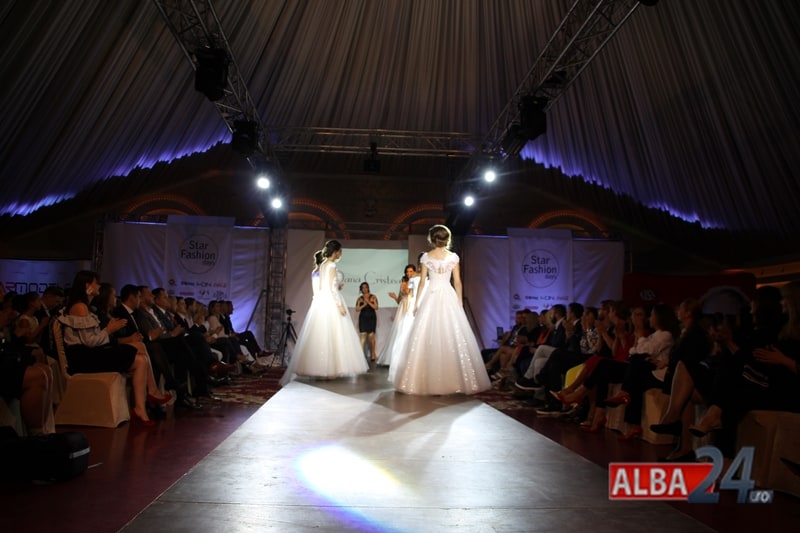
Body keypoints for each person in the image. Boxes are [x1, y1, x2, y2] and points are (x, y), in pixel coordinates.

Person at [57, 271, 170, 426]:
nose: (98, 286)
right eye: (96, 283)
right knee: (140, 359)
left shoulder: (84, 307)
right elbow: (90, 342)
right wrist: (109, 330)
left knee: (140, 350)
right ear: (87, 286)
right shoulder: (80, 307)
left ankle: (146, 399)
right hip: (83, 357)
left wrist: (108, 330)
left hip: (90, 352)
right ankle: (145, 401)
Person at [391, 225, 491, 395]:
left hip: (431, 295)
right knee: (450, 334)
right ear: (447, 239)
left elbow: (423, 283)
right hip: (448, 295)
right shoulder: (453, 257)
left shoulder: (426, 257)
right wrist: (459, 303)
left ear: (431, 239)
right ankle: (454, 381)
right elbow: (457, 282)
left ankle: (425, 381)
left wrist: (417, 303)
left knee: (428, 335)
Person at [280, 241, 369, 384]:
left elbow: (322, 287)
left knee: (321, 334)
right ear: (336, 251)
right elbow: (332, 288)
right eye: (340, 251)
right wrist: (339, 305)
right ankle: (330, 370)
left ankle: (322, 369)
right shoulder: (332, 265)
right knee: (333, 334)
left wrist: (319, 299)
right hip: (331, 302)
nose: (341, 254)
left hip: (321, 301)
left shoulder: (322, 265)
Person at [376, 264, 418, 366]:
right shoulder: (404, 281)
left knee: (409, 330)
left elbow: (412, 294)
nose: (408, 273)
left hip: (411, 306)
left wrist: (407, 286)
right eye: (407, 272)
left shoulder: (415, 281)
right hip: (403, 307)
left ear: (414, 272)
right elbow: (400, 299)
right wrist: (395, 297)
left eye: (411, 271)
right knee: (400, 330)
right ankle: (396, 357)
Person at [356, 282, 379, 361]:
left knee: (371, 337)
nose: (364, 289)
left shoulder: (373, 297)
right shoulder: (360, 298)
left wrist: (368, 302)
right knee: (363, 336)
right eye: (363, 288)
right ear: (361, 289)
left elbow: (376, 307)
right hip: (363, 318)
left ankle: (373, 354)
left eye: (366, 287)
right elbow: (357, 309)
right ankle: (361, 356)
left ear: (368, 288)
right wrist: (363, 305)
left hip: (371, 318)